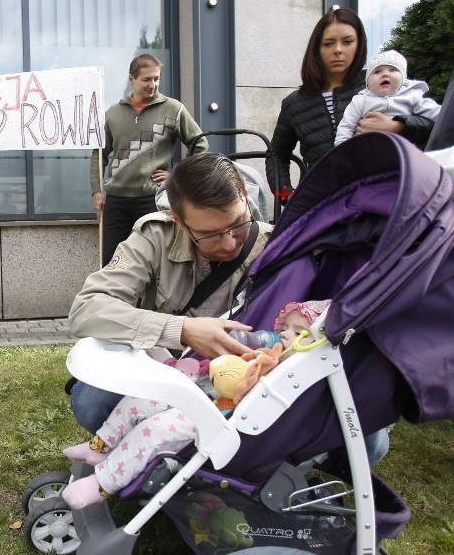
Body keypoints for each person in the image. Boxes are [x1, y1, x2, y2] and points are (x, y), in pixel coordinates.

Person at [69, 153, 273, 433]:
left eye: (237, 223)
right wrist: (183, 329)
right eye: (209, 233)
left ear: (246, 196)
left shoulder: (276, 246)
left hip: (237, 376)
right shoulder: (155, 235)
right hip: (162, 368)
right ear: (178, 219)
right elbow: (87, 309)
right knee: (91, 403)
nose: (228, 243)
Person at [61, 300, 330, 509]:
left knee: (157, 429)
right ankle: (101, 445)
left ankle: (101, 484)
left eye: (299, 333)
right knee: (146, 399)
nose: (285, 335)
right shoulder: (266, 356)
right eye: (285, 328)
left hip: (224, 422)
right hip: (205, 396)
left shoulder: (294, 379)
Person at [267, 7, 434, 198]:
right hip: (322, 202)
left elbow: (434, 126)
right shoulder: (294, 103)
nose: (338, 50)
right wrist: (285, 195)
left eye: (347, 42)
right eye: (328, 43)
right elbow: (276, 154)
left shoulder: (381, 82)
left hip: (387, 192)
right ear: (317, 49)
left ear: (358, 46)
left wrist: (398, 125)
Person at [91, 53, 208, 266]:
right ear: (131, 79)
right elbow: (99, 155)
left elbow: (200, 144)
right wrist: (96, 191)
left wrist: (177, 175)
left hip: (152, 199)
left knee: (153, 261)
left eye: (156, 78)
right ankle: (112, 300)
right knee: (111, 262)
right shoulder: (113, 113)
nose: (152, 84)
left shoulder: (174, 109)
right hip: (116, 201)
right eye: (146, 79)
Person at [335, 50, 441, 145]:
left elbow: (437, 114)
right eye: (377, 72)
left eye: (393, 70)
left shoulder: (412, 96)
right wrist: (341, 150)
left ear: (404, 79)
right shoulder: (360, 100)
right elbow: (346, 126)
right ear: (368, 83)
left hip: (401, 150)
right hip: (365, 152)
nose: (385, 74)